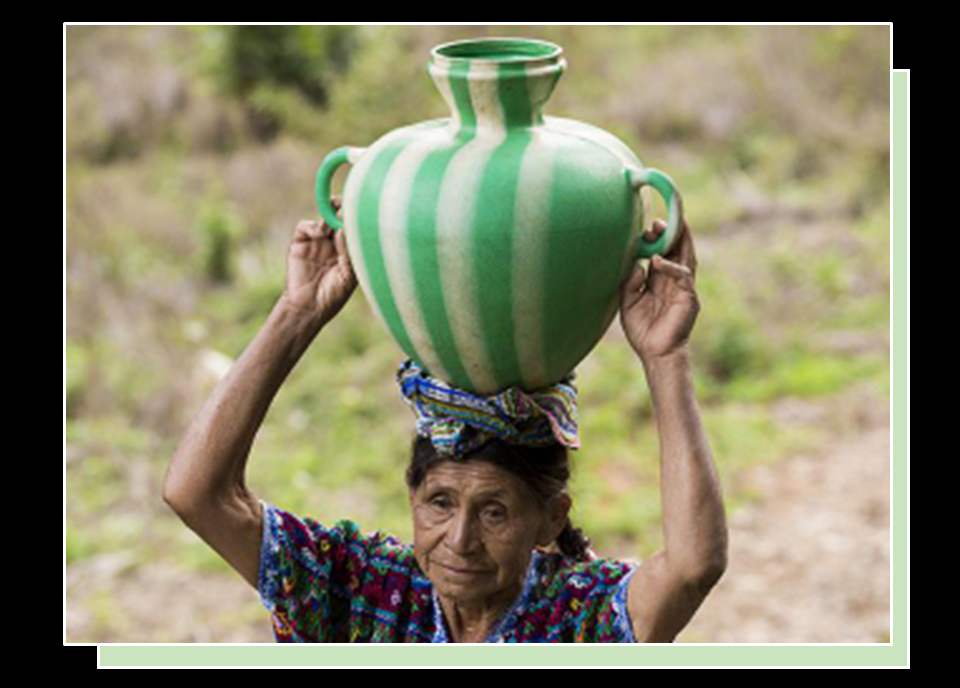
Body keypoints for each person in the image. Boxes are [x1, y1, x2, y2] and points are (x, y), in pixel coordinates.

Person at [163, 199, 728, 643]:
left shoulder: (580, 619)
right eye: (439, 503)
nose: (459, 541)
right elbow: (198, 494)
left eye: (494, 511)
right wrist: (298, 313)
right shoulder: (367, 593)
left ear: (551, 520)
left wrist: (665, 356)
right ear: (412, 497)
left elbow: (692, 567)